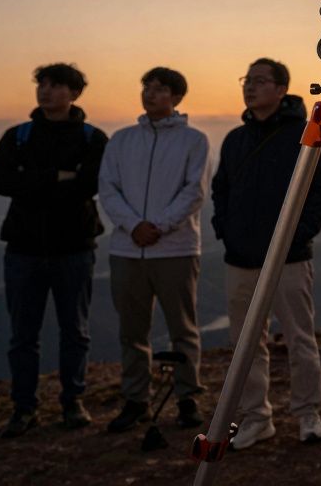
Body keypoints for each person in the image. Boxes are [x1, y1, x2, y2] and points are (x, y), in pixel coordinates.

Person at [212, 58, 321, 448]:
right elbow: (221, 191)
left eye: (261, 81)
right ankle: (256, 417)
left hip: (290, 259)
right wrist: (226, 233)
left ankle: (308, 412)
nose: (250, 87)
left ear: (281, 90)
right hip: (240, 258)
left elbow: (319, 196)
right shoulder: (234, 140)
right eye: (248, 79)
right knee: (245, 343)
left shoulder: (306, 136)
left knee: (299, 338)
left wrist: (295, 239)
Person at [0, 63, 109, 437]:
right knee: (23, 334)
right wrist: (58, 176)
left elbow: (89, 184)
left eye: (55, 85)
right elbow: (1, 181)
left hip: (74, 248)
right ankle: (23, 408)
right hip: (23, 249)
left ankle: (72, 401)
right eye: (41, 84)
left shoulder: (93, 139)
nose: (45, 91)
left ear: (73, 94)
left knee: (74, 330)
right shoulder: (18, 136)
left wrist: (31, 181)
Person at [98, 67, 209, 433]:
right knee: (132, 330)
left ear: (176, 97)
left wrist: (157, 226)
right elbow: (108, 188)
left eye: (160, 89)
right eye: (147, 87)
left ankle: (187, 397)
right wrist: (134, 226)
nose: (150, 93)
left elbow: (194, 192)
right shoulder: (121, 140)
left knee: (183, 328)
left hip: (175, 249)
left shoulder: (194, 140)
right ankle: (136, 400)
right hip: (127, 250)